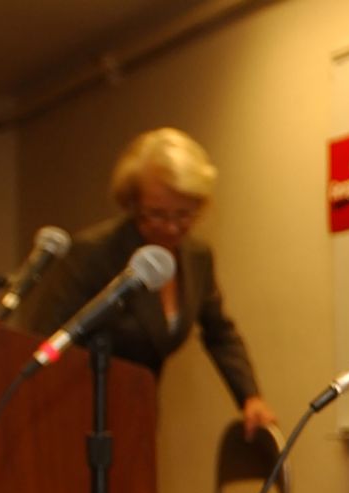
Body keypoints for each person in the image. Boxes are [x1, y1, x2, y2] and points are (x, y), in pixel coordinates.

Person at [14, 127, 276, 439]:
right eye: (156, 214)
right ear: (132, 203)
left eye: (184, 215)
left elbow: (220, 332)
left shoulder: (197, 257)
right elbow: (46, 336)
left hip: (140, 411)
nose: (170, 227)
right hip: (75, 417)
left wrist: (250, 397)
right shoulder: (94, 253)